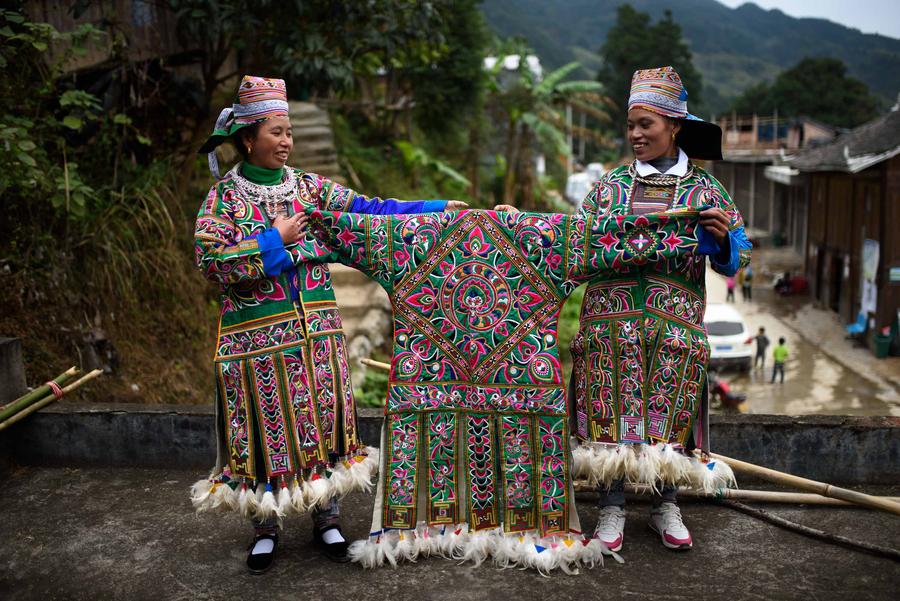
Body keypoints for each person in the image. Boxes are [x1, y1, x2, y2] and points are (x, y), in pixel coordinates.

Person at [190, 76, 467, 574]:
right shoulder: (224, 200)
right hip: (255, 342)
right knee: (263, 432)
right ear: (249, 138)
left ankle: (327, 517)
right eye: (277, 131)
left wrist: (435, 210)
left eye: (290, 131)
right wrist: (272, 240)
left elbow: (371, 212)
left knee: (323, 424)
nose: (287, 141)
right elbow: (212, 262)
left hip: (317, 337)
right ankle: (266, 527)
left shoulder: (310, 189)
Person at [567, 66, 751, 553]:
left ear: (674, 125)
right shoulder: (608, 189)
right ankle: (611, 509)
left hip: (674, 331)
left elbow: (737, 257)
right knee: (611, 416)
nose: (635, 135)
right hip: (610, 328)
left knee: (667, 420)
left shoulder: (706, 192)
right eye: (630, 125)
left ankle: (665, 505)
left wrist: (721, 242)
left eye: (645, 124)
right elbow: (577, 248)